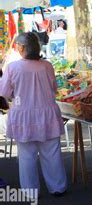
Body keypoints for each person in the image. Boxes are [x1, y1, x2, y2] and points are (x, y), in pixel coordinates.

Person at [0, 32, 67, 196]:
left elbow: (5, 92)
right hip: (47, 111)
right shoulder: (47, 66)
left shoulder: (13, 67)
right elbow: (53, 88)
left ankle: (30, 191)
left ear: (22, 47)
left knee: (27, 155)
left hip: (23, 114)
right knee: (52, 152)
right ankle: (57, 187)